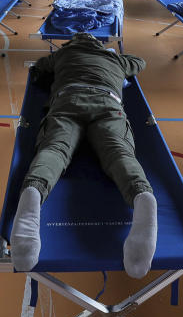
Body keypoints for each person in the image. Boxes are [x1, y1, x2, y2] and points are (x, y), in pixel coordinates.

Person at [11, 33, 157, 279]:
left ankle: (33, 192)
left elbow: (39, 66)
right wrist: (115, 58)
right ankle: (143, 197)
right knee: (119, 153)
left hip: (67, 99)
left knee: (54, 150)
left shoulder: (63, 54)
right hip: (107, 102)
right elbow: (140, 62)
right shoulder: (117, 61)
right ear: (99, 46)